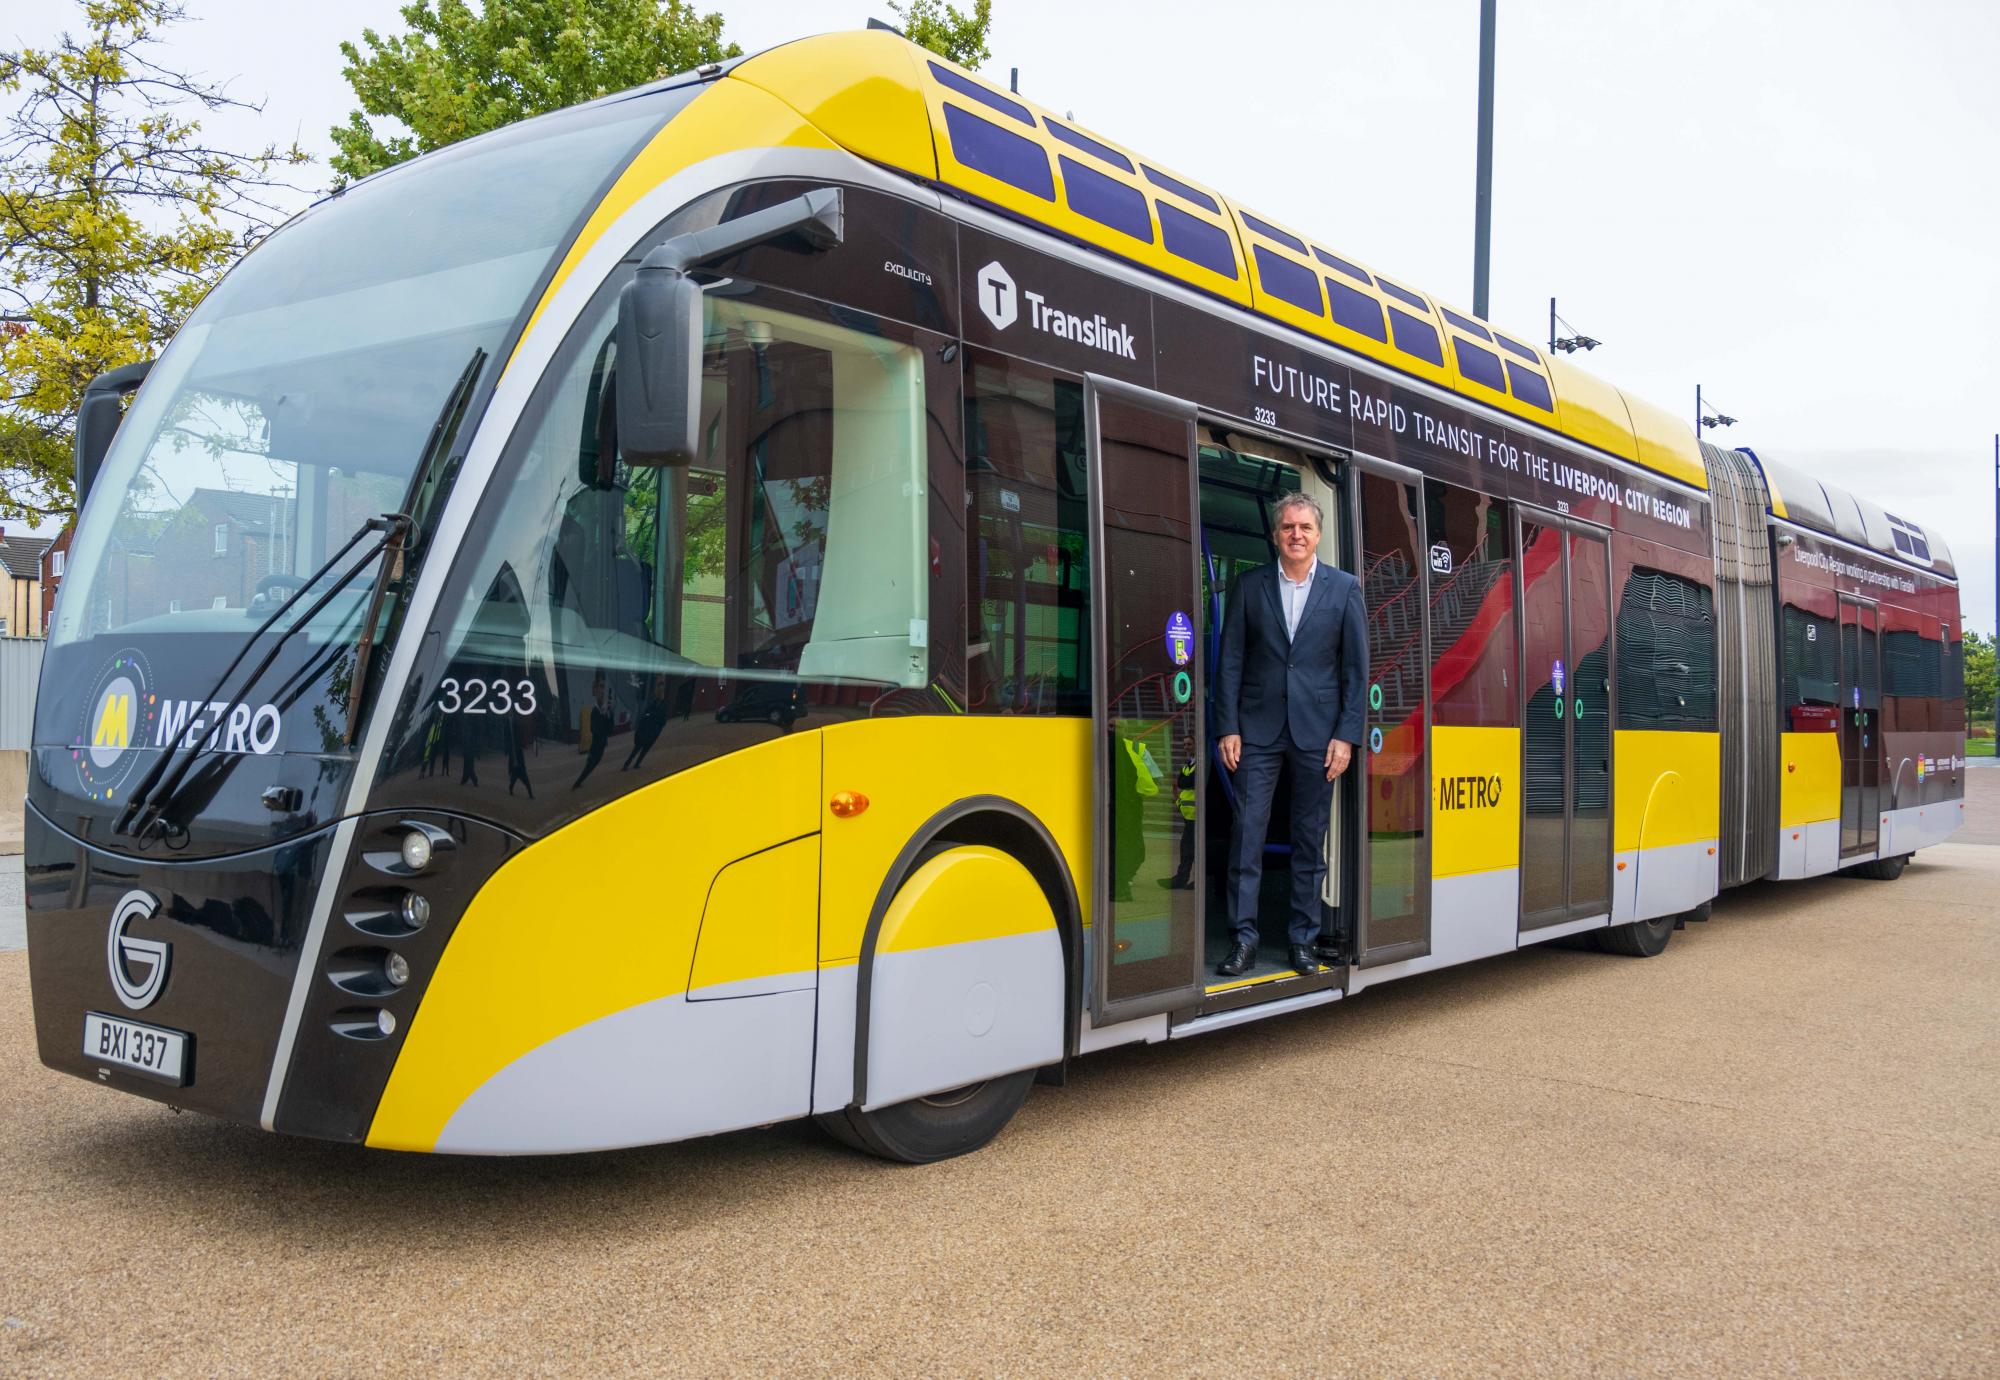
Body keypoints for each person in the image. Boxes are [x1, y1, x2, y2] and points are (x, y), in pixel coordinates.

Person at [1213, 491, 1367, 977]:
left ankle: (1303, 938)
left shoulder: (1344, 589)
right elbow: (1230, 660)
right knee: (1246, 835)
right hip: (1255, 731)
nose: (1296, 535)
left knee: (1308, 838)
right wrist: (1228, 726)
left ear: (1318, 535)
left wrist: (1346, 735)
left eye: (1304, 527)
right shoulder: (1249, 586)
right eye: (1287, 527)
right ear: (1275, 535)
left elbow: (1356, 671)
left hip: (1319, 736)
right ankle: (1244, 939)